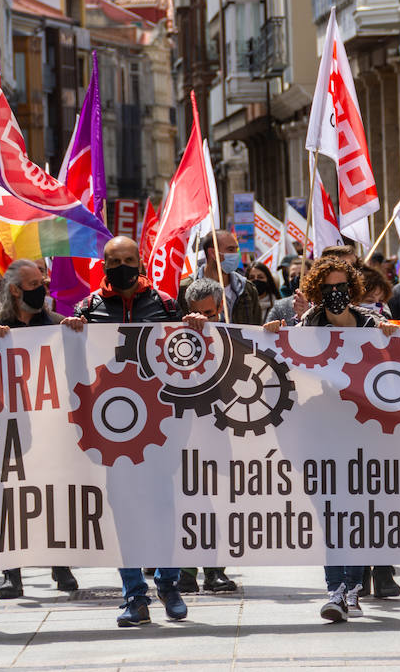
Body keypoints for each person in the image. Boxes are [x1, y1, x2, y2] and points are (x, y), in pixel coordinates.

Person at [63, 236, 192, 627]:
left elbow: (186, 357)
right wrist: (69, 335)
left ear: (141, 261)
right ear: (103, 265)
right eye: (113, 260)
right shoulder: (87, 309)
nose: (122, 265)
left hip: (161, 426)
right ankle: (134, 595)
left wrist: (194, 329)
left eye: (129, 259)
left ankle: (169, 584)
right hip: (113, 428)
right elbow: (72, 369)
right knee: (124, 513)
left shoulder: (167, 305)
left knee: (162, 508)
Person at [263, 256, 397, 623]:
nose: (335, 294)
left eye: (341, 287)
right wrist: (274, 333)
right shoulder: (307, 324)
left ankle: (352, 589)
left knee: (359, 515)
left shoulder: (371, 324)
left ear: (351, 289)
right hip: (322, 434)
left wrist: (389, 338)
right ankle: (335, 589)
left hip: (364, 433)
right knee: (331, 514)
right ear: (317, 292)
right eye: (328, 288)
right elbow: (284, 361)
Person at [0, 260, 78, 600]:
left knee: (53, 495)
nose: (42, 288)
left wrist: (77, 334)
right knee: (9, 502)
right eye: (34, 283)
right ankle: (12, 574)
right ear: (14, 290)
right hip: (6, 431)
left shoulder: (55, 324)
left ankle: (61, 565)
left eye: (43, 282)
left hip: (49, 429)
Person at [175, 277, 240, 595]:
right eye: (197, 313)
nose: (204, 320)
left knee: (217, 501)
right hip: (183, 436)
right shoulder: (173, 339)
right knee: (189, 501)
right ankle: (186, 571)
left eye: (211, 314)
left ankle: (214, 570)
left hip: (219, 434)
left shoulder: (232, 337)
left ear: (220, 310)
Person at [179, 229, 262, 325]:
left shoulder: (247, 289)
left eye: (236, 249)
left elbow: (257, 330)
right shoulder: (185, 288)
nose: (236, 254)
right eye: (230, 250)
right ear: (213, 253)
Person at [268, 258, 310, 326]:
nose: (297, 278)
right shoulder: (279, 306)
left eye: (301, 274)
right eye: (292, 276)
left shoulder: (318, 304)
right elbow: (267, 327)